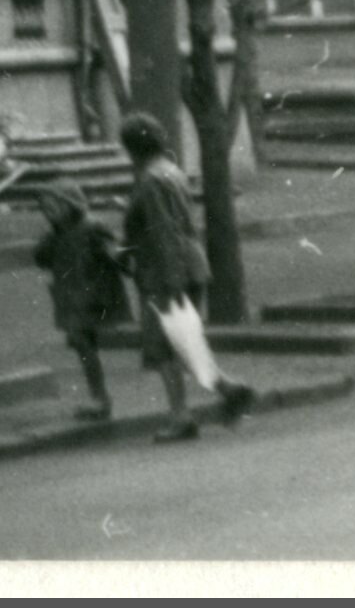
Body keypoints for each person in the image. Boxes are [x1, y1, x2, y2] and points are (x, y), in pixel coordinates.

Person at [117, 110, 257, 432]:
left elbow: (163, 230)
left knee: (162, 346)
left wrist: (171, 279)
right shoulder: (171, 172)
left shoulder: (150, 181)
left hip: (167, 271)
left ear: (132, 147)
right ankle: (229, 391)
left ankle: (182, 417)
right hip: (190, 264)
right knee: (184, 341)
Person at [24, 179, 132, 419]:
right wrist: (49, 239)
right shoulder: (57, 233)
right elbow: (41, 258)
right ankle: (99, 397)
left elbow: (115, 254)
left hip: (92, 295)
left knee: (82, 342)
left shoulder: (92, 227)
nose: (48, 214)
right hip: (71, 296)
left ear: (70, 205)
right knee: (81, 344)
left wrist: (122, 259)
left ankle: (100, 398)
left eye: (53, 208)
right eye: (45, 209)